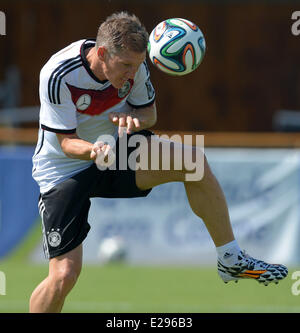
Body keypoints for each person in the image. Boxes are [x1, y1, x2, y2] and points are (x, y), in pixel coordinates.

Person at [31, 11, 288, 313]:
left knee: (192, 161)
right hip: (64, 169)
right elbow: (65, 142)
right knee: (63, 277)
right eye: (125, 65)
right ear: (102, 53)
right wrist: (94, 150)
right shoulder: (59, 73)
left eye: (137, 66)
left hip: (116, 150)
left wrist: (133, 121)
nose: (132, 74)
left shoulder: (135, 67)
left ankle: (231, 259)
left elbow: (148, 114)